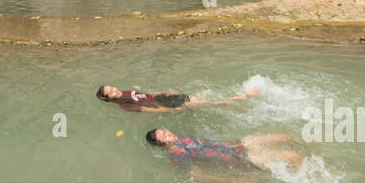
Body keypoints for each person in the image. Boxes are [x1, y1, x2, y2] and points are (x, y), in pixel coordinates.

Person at [145, 127, 303, 173]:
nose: (170, 134)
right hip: (243, 159)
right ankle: (315, 178)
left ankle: (315, 146)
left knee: (285, 137)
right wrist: (233, 181)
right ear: (162, 145)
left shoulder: (182, 137)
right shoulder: (176, 154)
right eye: (165, 137)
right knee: (292, 156)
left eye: (167, 131)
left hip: (239, 145)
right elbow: (198, 176)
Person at [96, 84, 258, 113]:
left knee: (201, 99)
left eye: (113, 88)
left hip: (162, 97)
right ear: (108, 98)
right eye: (111, 91)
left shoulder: (124, 92)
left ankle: (232, 104)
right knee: (208, 103)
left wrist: (163, 92)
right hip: (163, 104)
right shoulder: (126, 106)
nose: (115, 90)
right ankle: (242, 98)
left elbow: (143, 93)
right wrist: (171, 110)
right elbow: (148, 109)